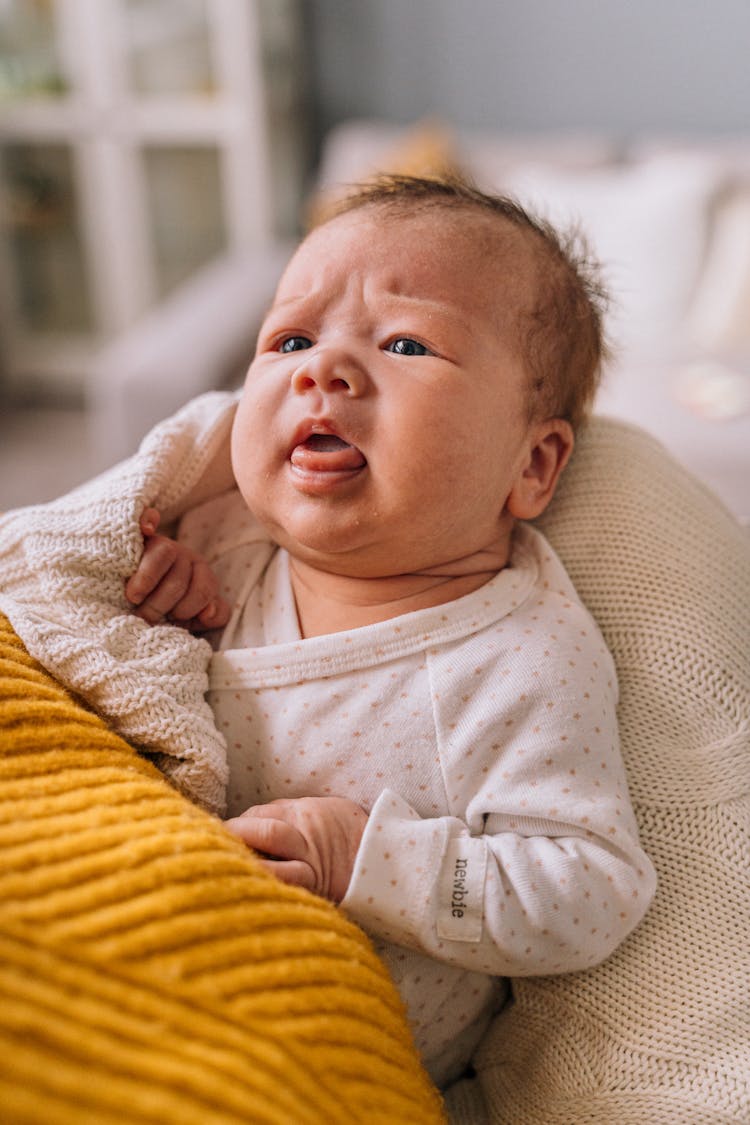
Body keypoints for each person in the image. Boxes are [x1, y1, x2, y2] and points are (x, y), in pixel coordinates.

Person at [123, 174, 656, 1086]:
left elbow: (588, 890)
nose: (319, 369)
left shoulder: (518, 657)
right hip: (154, 954)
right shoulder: (222, 547)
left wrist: (368, 858)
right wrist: (148, 608)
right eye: (290, 337)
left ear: (531, 464)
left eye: (405, 342)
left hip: (335, 1056)